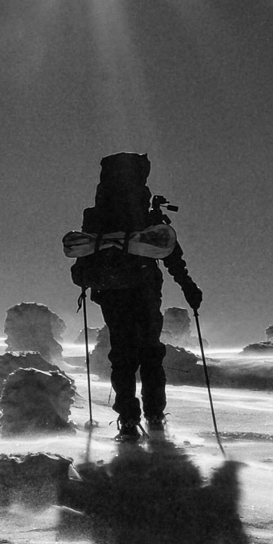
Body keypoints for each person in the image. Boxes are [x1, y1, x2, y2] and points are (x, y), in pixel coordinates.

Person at [63, 151, 202, 444]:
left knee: (122, 356)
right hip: (144, 289)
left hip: (111, 293)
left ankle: (128, 422)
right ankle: (155, 417)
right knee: (150, 353)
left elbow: (83, 257)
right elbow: (170, 254)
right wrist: (188, 286)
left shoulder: (97, 218)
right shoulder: (147, 215)